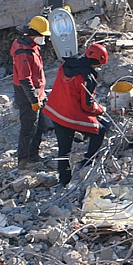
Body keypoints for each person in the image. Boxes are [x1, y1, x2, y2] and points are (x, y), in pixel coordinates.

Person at [43, 44, 110, 186]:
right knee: (100, 130)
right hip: (70, 115)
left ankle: (63, 180)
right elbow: (87, 105)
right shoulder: (87, 78)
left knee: (64, 149)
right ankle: (88, 162)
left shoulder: (66, 65)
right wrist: (100, 110)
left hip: (55, 111)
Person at [11, 15, 52, 170]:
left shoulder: (31, 46)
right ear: (34, 33)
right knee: (29, 128)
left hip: (37, 93)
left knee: (40, 126)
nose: (44, 39)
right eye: (42, 35)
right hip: (27, 95)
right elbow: (24, 79)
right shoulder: (23, 52)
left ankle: (33, 156)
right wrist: (34, 100)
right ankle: (24, 160)